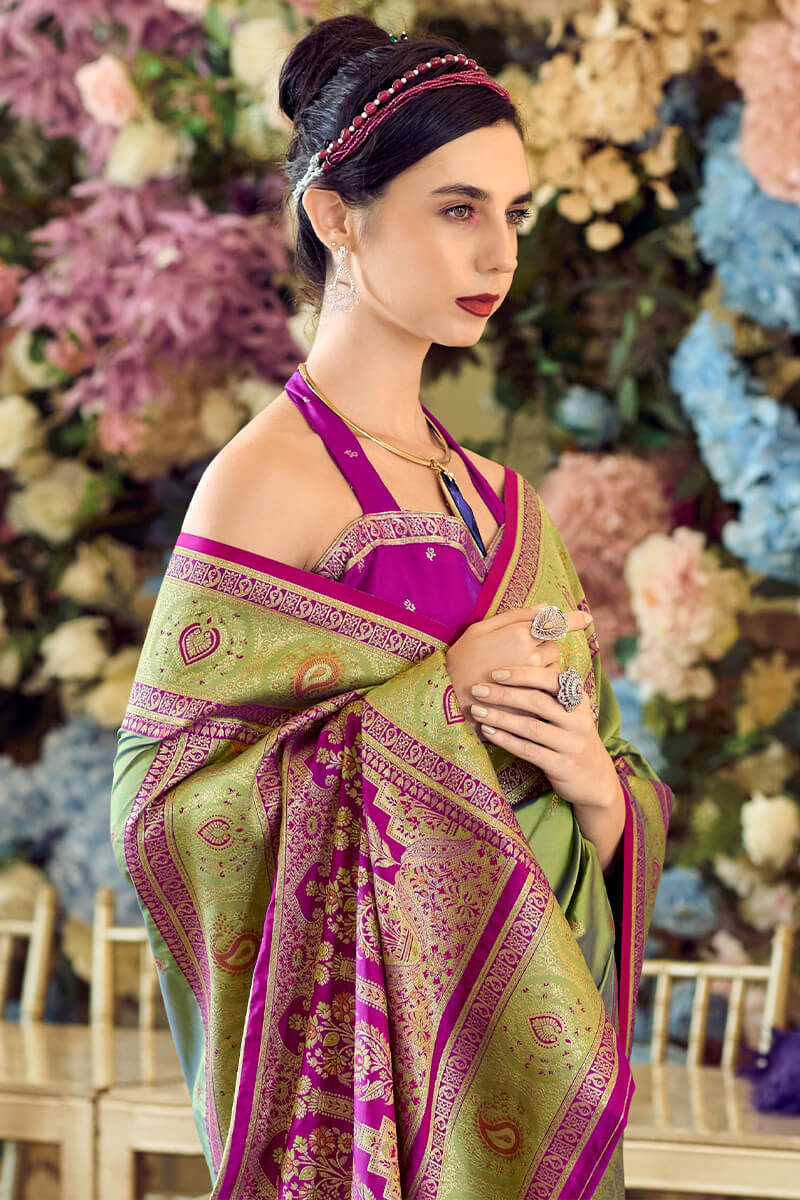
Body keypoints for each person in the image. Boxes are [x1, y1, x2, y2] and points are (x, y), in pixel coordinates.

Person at [110, 15, 671, 1199]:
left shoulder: (498, 500)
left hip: (534, 1047)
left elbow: (598, 778)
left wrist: (596, 788)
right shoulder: (263, 480)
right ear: (334, 216)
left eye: (513, 213)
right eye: (456, 208)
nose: (497, 252)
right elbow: (164, 809)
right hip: (386, 1099)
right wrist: (442, 695)